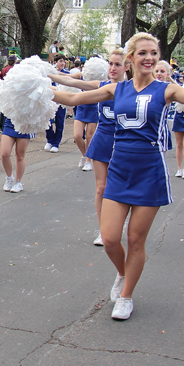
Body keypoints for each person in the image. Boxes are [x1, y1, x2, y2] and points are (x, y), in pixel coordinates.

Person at [51, 33, 184, 320]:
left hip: (149, 169)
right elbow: (73, 97)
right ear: (131, 58)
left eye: (153, 53)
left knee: (136, 240)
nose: (149, 58)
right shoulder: (117, 89)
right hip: (119, 166)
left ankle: (126, 296)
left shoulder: (167, 90)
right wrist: (24, 90)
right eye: (143, 53)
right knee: (111, 239)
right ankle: (123, 274)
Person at [50, 49, 130, 246]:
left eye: (117, 64)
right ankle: (104, 229)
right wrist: (44, 74)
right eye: (110, 63)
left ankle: (119, 222)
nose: (112, 68)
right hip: (103, 139)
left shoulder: (134, 88)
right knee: (101, 188)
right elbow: (72, 83)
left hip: (125, 141)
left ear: (127, 66)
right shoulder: (101, 85)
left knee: (121, 186)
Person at [44, 54, 68, 153]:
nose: (62, 63)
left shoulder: (67, 73)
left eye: (64, 61)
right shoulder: (49, 73)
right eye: (60, 61)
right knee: (47, 122)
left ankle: (56, 143)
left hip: (61, 101)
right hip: (50, 101)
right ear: (55, 62)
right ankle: (49, 140)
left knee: (59, 122)